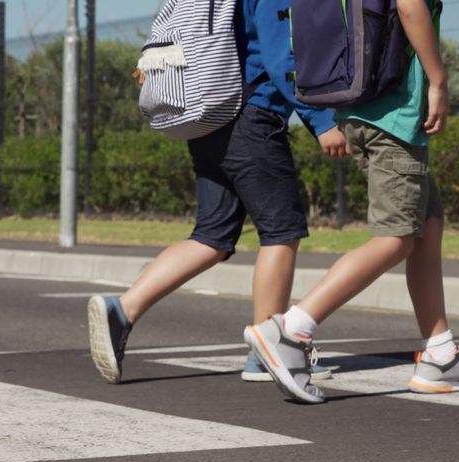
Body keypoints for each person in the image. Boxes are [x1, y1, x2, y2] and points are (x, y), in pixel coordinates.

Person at [244, 0, 459, 404]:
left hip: (360, 108)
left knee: (428, 225)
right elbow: (409, 4)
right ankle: (291, 330)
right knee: (396, 238)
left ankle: (441, 354)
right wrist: (438, 79)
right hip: (393, 116)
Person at [88, 0, 348, 384]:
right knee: (281, 232)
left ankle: (122, 309)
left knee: (212, 237)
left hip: (209, 118)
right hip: (253, 117)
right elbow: (282, 58)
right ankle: (267, 352)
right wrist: (322, 121)